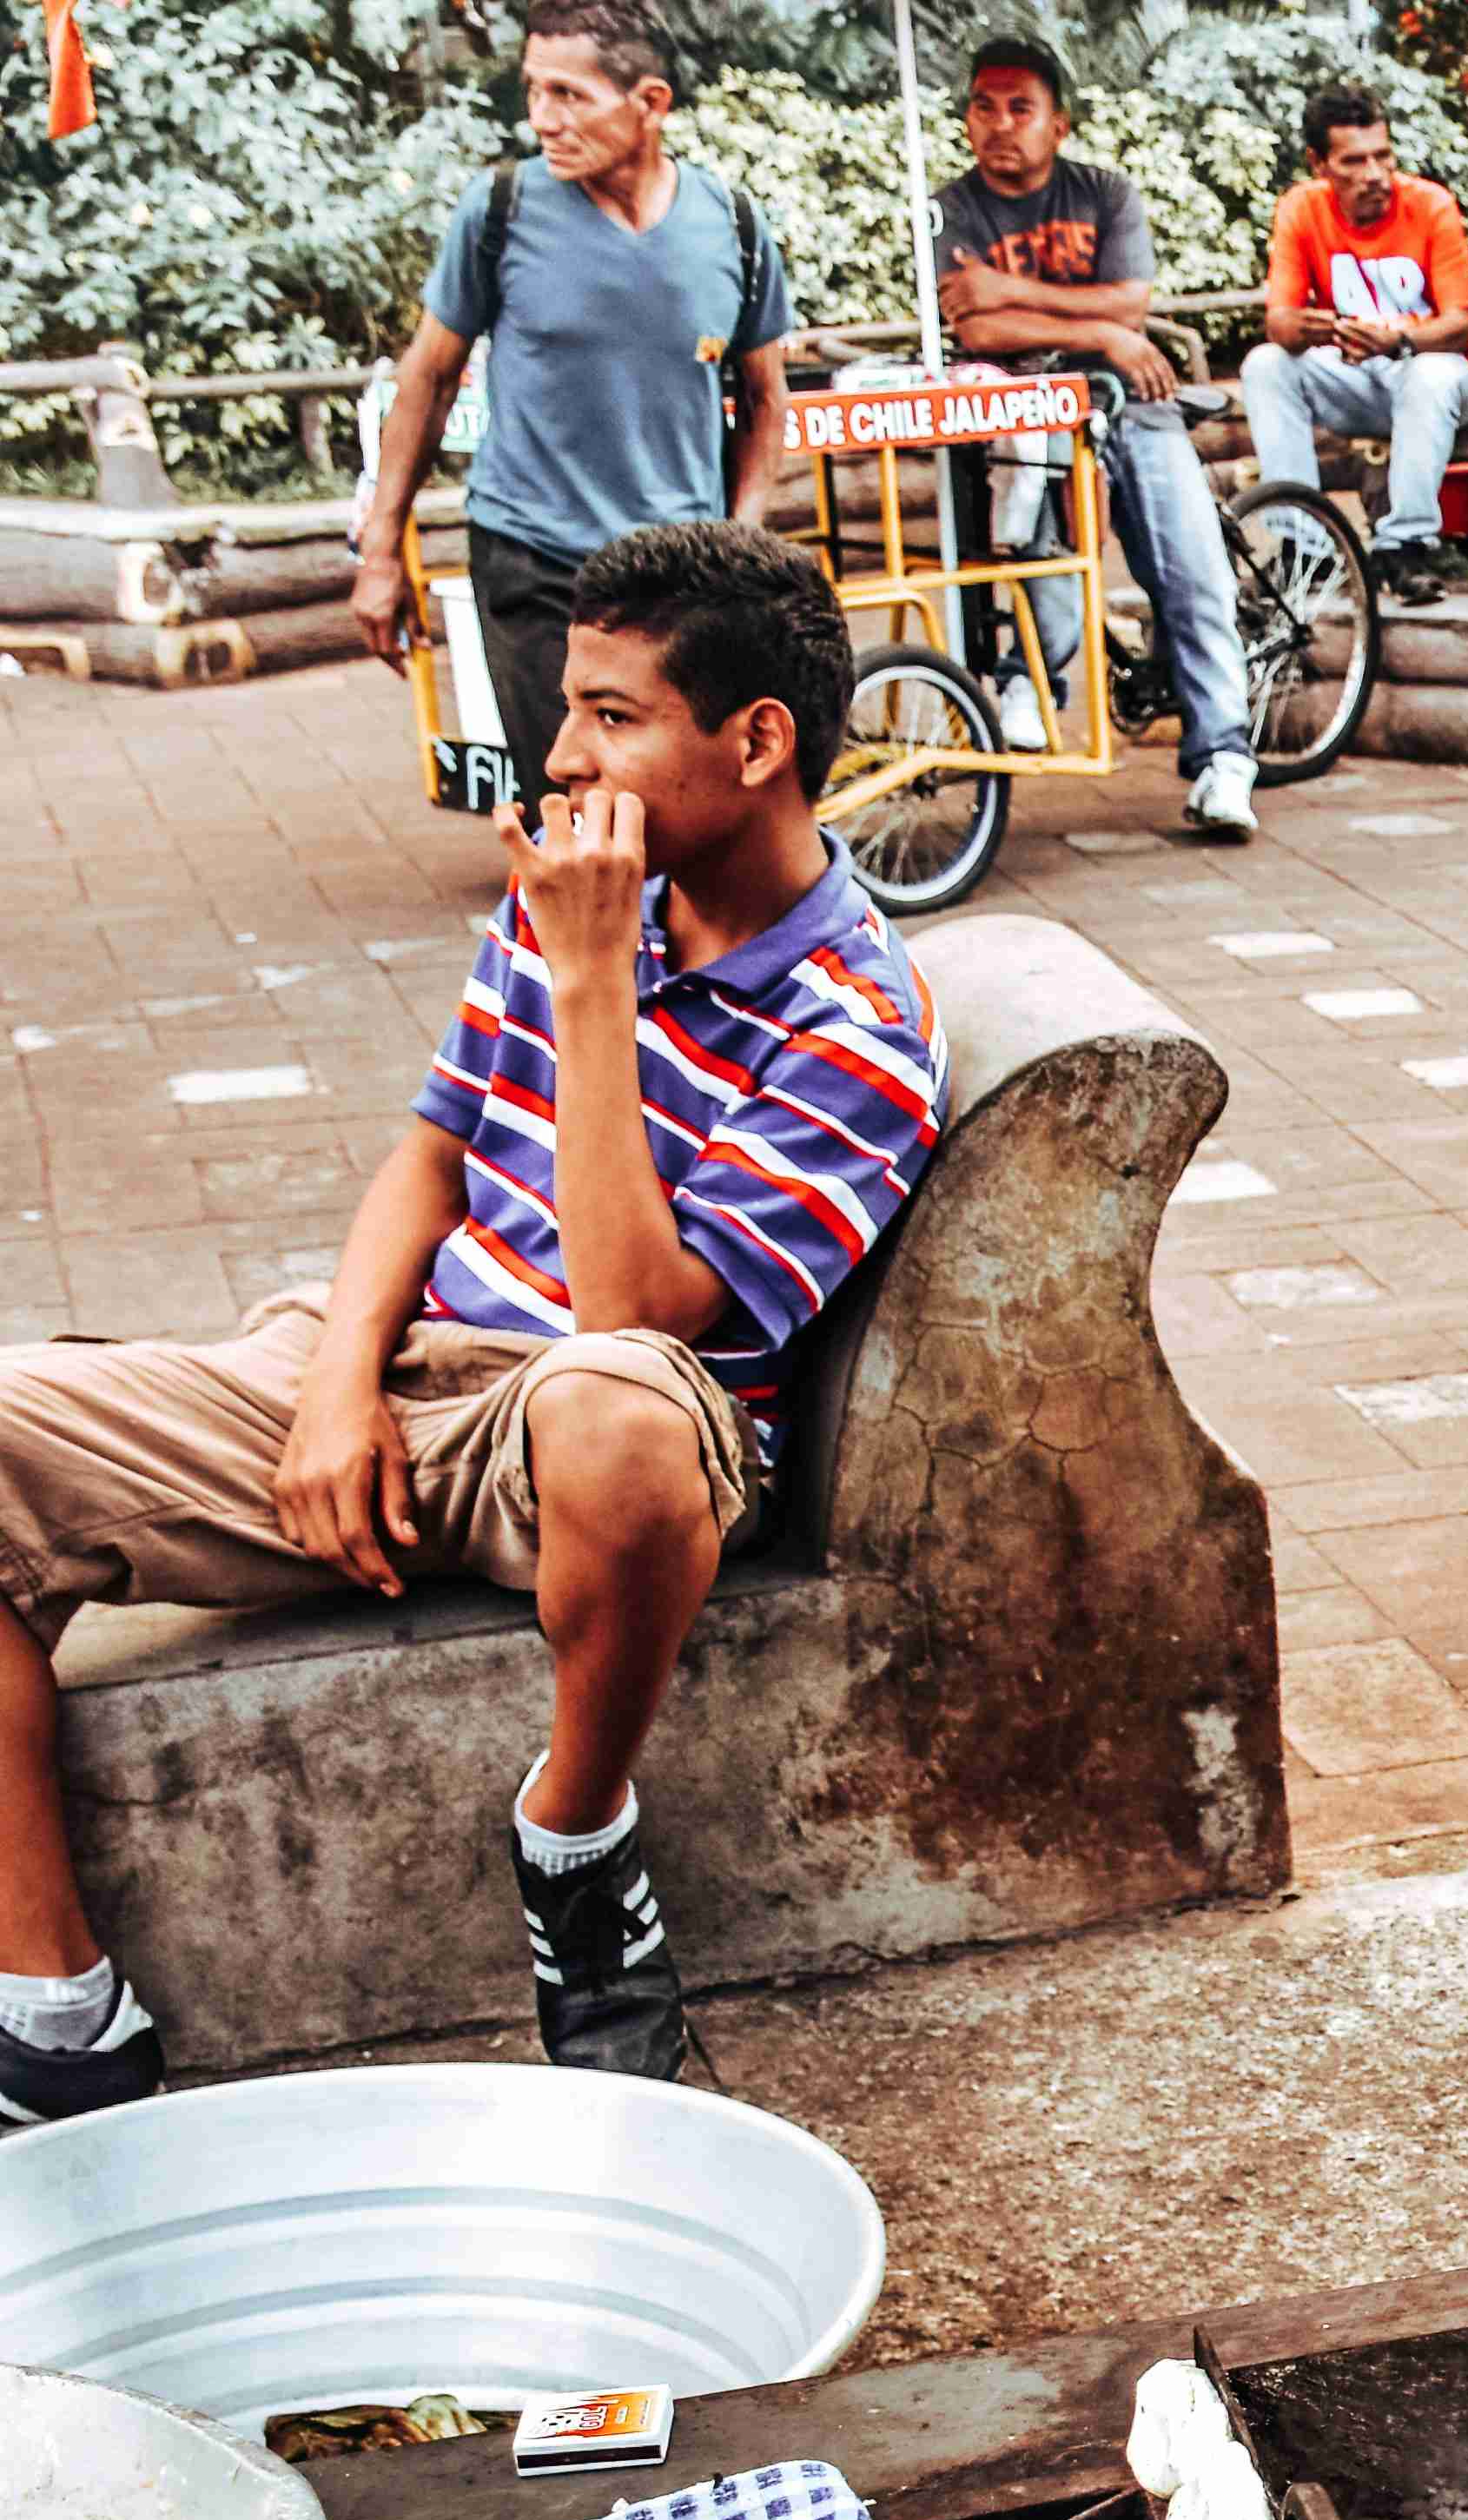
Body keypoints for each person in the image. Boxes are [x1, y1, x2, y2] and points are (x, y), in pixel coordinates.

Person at [0, 526, 936, 2117]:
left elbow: (641, 1317)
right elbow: (431, 1153)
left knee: (616, 1407)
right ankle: (57, 2015)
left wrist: (592, 991)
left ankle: (575, 1841)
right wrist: (334, 1391)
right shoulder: (575, 892)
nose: (563, 753)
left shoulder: (857, 1028)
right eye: (567, 709)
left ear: (756, 740)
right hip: (403, 1379)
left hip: (599, 1436)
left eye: (612, 715)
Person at [349, 0, 793, 806]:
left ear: (650, 104)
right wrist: (380, 552)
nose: (543, 120)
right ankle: (581, 932)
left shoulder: (730, 225)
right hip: (536, 558)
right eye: (533, 91)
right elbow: (427, 379)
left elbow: (765, 399)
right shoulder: (501, 213)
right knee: (575, 800)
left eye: (569, 96)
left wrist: (743, 538)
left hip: (677, 571)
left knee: (683, 803)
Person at [932, 33, 1263, 837]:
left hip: (1130, 399)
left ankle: (1224, 760)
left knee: (1192, 572)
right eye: (984, 106)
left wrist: (1034, 301)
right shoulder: (947, 204)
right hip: (1024, 411)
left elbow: (1129, 307)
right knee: (1039, 569)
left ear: (1060, 125)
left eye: (1021, 108)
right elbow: (971, 321)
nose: (1000, 124)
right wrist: (1100, 327)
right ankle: (1024, 684)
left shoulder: (1105, 194)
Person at [1239, 87, 1468, 606]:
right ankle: (1304, 546)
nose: (1375, 173)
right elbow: (1278, 323)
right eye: (1355, 160)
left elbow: (1460, 326)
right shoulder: (1301, 209)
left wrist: (1397, 339)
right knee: (1266, 366)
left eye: (1383, 155)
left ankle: (1406, 546)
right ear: (1319, 163)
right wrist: (1312, 329)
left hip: (1447, 380)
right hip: (1360, 377)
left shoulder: (1430, 205)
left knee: (1429, 374)